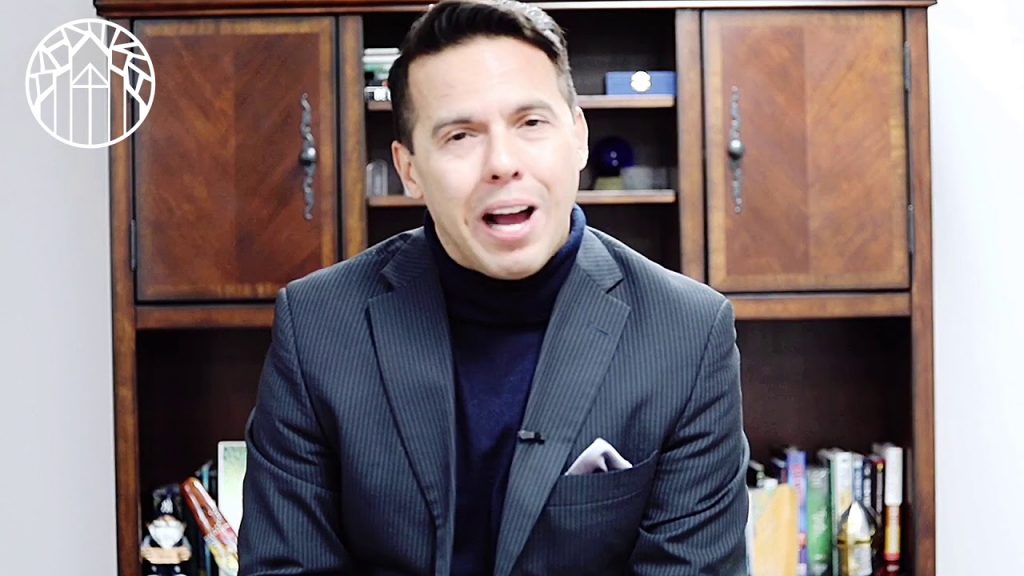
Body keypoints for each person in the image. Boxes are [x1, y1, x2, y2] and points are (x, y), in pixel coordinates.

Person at [239, 1, 749, 574]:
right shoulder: (316, 326)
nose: (502, 163)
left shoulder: (688, 334)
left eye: (531, 123)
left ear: (578, 138)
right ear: (410, 170)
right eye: (460, 135)